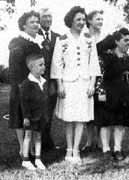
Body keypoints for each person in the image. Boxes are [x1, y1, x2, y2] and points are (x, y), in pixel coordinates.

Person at [51, 6, 100, 164]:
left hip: (84, 83)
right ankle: (69, 150)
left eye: (83, 19)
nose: (81, 22)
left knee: (80, 118)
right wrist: (59, 85)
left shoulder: (89, 39)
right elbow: (57, 64)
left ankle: (77, 150)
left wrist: (92, 83)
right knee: (69, 118)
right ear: (70, 20)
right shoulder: (62, 39)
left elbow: (93, 63)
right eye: (78, 19)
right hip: (68, 84)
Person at [96, 28, 129, 161]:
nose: (128, 43)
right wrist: (101, 91)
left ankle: (117, 149)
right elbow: (99, 76)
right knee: (106, 122)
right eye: (125, 40)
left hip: (126, 95)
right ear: (116, 41)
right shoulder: (105, 57)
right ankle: (106, 149)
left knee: (120, 122)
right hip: (108, 94)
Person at [8, 10, 43, 158]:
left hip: (37, 85)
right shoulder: (18, 42)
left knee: (34, 117)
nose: (36, 24)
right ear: (23, 25)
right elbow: (15, 67)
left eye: (37, 21)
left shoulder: (39, 41)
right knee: (20, 116)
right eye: (32, 22)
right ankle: (23, 148)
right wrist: (22, 86)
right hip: (22, 86)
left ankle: (32, 149)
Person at [82, 10, 104, 152]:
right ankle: (89, 141)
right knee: (88, 108)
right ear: (89, 21)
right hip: (86, 77)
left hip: (102, 78)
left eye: (102, 19)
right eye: (98, 19)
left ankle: (100, 141)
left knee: (101, 108)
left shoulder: (105, 38)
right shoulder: (83, 37)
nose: (101, 21)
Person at [38, 8, 60, 151]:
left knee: (49, 111)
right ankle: (37, 143)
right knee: (39, 111)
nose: (47, 19)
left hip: (52, 81)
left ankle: (46, 141)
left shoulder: (57, 37)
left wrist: (54, 81)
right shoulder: (35, 35)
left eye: (50, 16)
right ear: (39, 19)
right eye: (44, 17)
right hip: (39, 80)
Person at [20, 54, 47, 170]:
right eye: (40, 65)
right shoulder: (27, 83)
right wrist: (26, 117)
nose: (44, 67)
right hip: (31, 117)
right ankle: (25, 160)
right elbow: (24, 102)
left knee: (38, 137)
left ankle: (38, 159)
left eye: (44, 64)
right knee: (28, 136)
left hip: (41, 116)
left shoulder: (43, 81)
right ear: (32, 68)